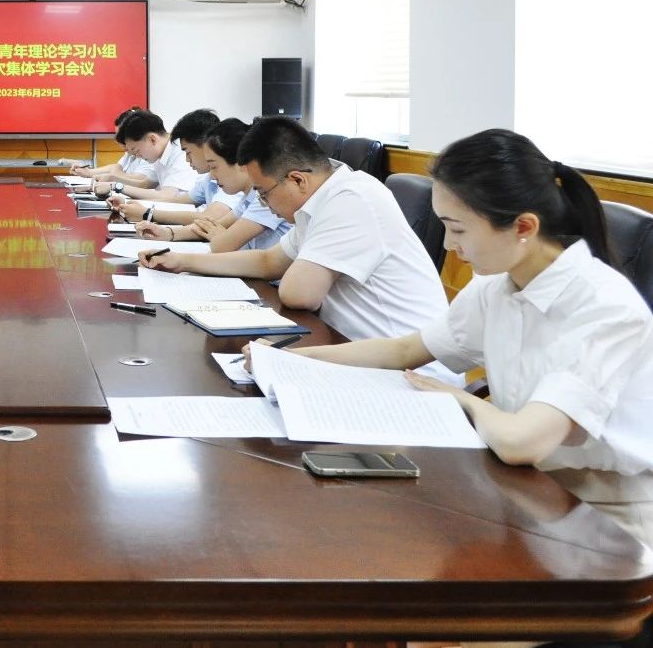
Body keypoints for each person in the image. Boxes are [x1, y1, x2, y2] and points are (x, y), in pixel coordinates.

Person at [266, 129, 653, 556]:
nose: (450, 246)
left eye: (458, 229)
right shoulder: (500, 286)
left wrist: (460, 399)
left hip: (607, 523)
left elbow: (523, 441)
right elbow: (404, 350)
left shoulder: (604, 307)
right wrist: (291, 358)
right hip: (526, 489)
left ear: (524, 227)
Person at [141, 117, 450, 369]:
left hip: (406, 372)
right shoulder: (322, 198)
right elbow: (268, 261)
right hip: (350, 350)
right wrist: (181, 260)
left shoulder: (351, 199)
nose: (263, 203)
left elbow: (299, 294)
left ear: (298, 179)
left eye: (264, 193)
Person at [136, 117, 290, 251]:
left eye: (214, 167)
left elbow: (223, 244)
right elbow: (211, 226)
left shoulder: (266, 198)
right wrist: (167, 233)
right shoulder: (249, 197)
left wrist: (221, 238)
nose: (212, 176)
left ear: (240, 162)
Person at [111, 108, 236, 225]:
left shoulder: (231, 176)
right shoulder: (208, 178)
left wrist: (148, 214)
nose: (187, 159)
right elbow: (177, 201)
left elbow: (210, 217)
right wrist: (130, 204)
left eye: (188, 152)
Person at [95, 109, 198, 199]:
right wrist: (113, 181)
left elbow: (168, 196)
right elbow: (145, 184)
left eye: (137, 150)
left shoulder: (180, 150)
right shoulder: (159, 154)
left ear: (152, 139)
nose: (137, 156)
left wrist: (116, 186)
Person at [69, 106, 157, 189]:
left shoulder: (148, 152)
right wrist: (88, 172)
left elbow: (142, 182)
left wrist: (114, 177)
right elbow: (116, 168)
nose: (119, 141)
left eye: (122, 137)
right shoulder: (130, 152)